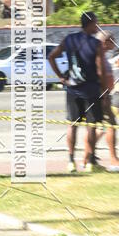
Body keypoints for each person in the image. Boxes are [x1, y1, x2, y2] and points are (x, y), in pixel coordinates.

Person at [48, 12, 106, 173]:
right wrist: (104, 91)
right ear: (90, 24)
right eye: (96, 23)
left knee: (72, 125)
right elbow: (100, 70)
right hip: (92, 89)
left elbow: (52, 56)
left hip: (72, 89)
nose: (97, 26)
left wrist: (61, 77)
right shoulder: (96, 44)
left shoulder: (69, 39)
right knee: (92, 126)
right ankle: (89, 162)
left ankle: (71, 161)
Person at [92, 32, 119, 172]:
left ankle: (89, 156)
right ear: (105, 41)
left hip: (106, 95)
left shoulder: (107, 57)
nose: (115, 42)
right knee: (110, 126)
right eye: (112, 40)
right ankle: (114, 160)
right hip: (107, 96)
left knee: (100, 127)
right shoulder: (100, 57)